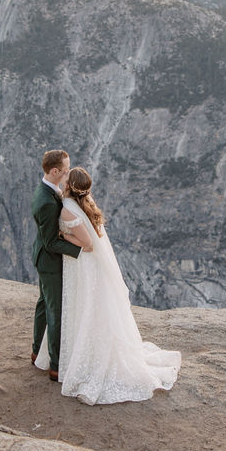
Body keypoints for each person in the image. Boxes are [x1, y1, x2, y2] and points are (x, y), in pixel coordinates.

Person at [35, 167, 181, 404]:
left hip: (83, 266)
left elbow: (88, 244)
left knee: (83, 309)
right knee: (87, 310)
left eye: (66, 179)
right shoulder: (83, 204)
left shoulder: (69, 211)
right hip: (86, 266)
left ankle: (85, 359)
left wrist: (63, 237)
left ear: (70, 186)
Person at [30, 150, 85, 382]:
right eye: (65, 169)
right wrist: (79, 251)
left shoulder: (47, 190)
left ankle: (36, 351)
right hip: (50, 262)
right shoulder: (47, 202)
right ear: (54, 171)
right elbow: (52, 242)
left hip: (42, 258)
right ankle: (55, 365)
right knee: (55, 310)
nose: (68, 171)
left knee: (44, 304)